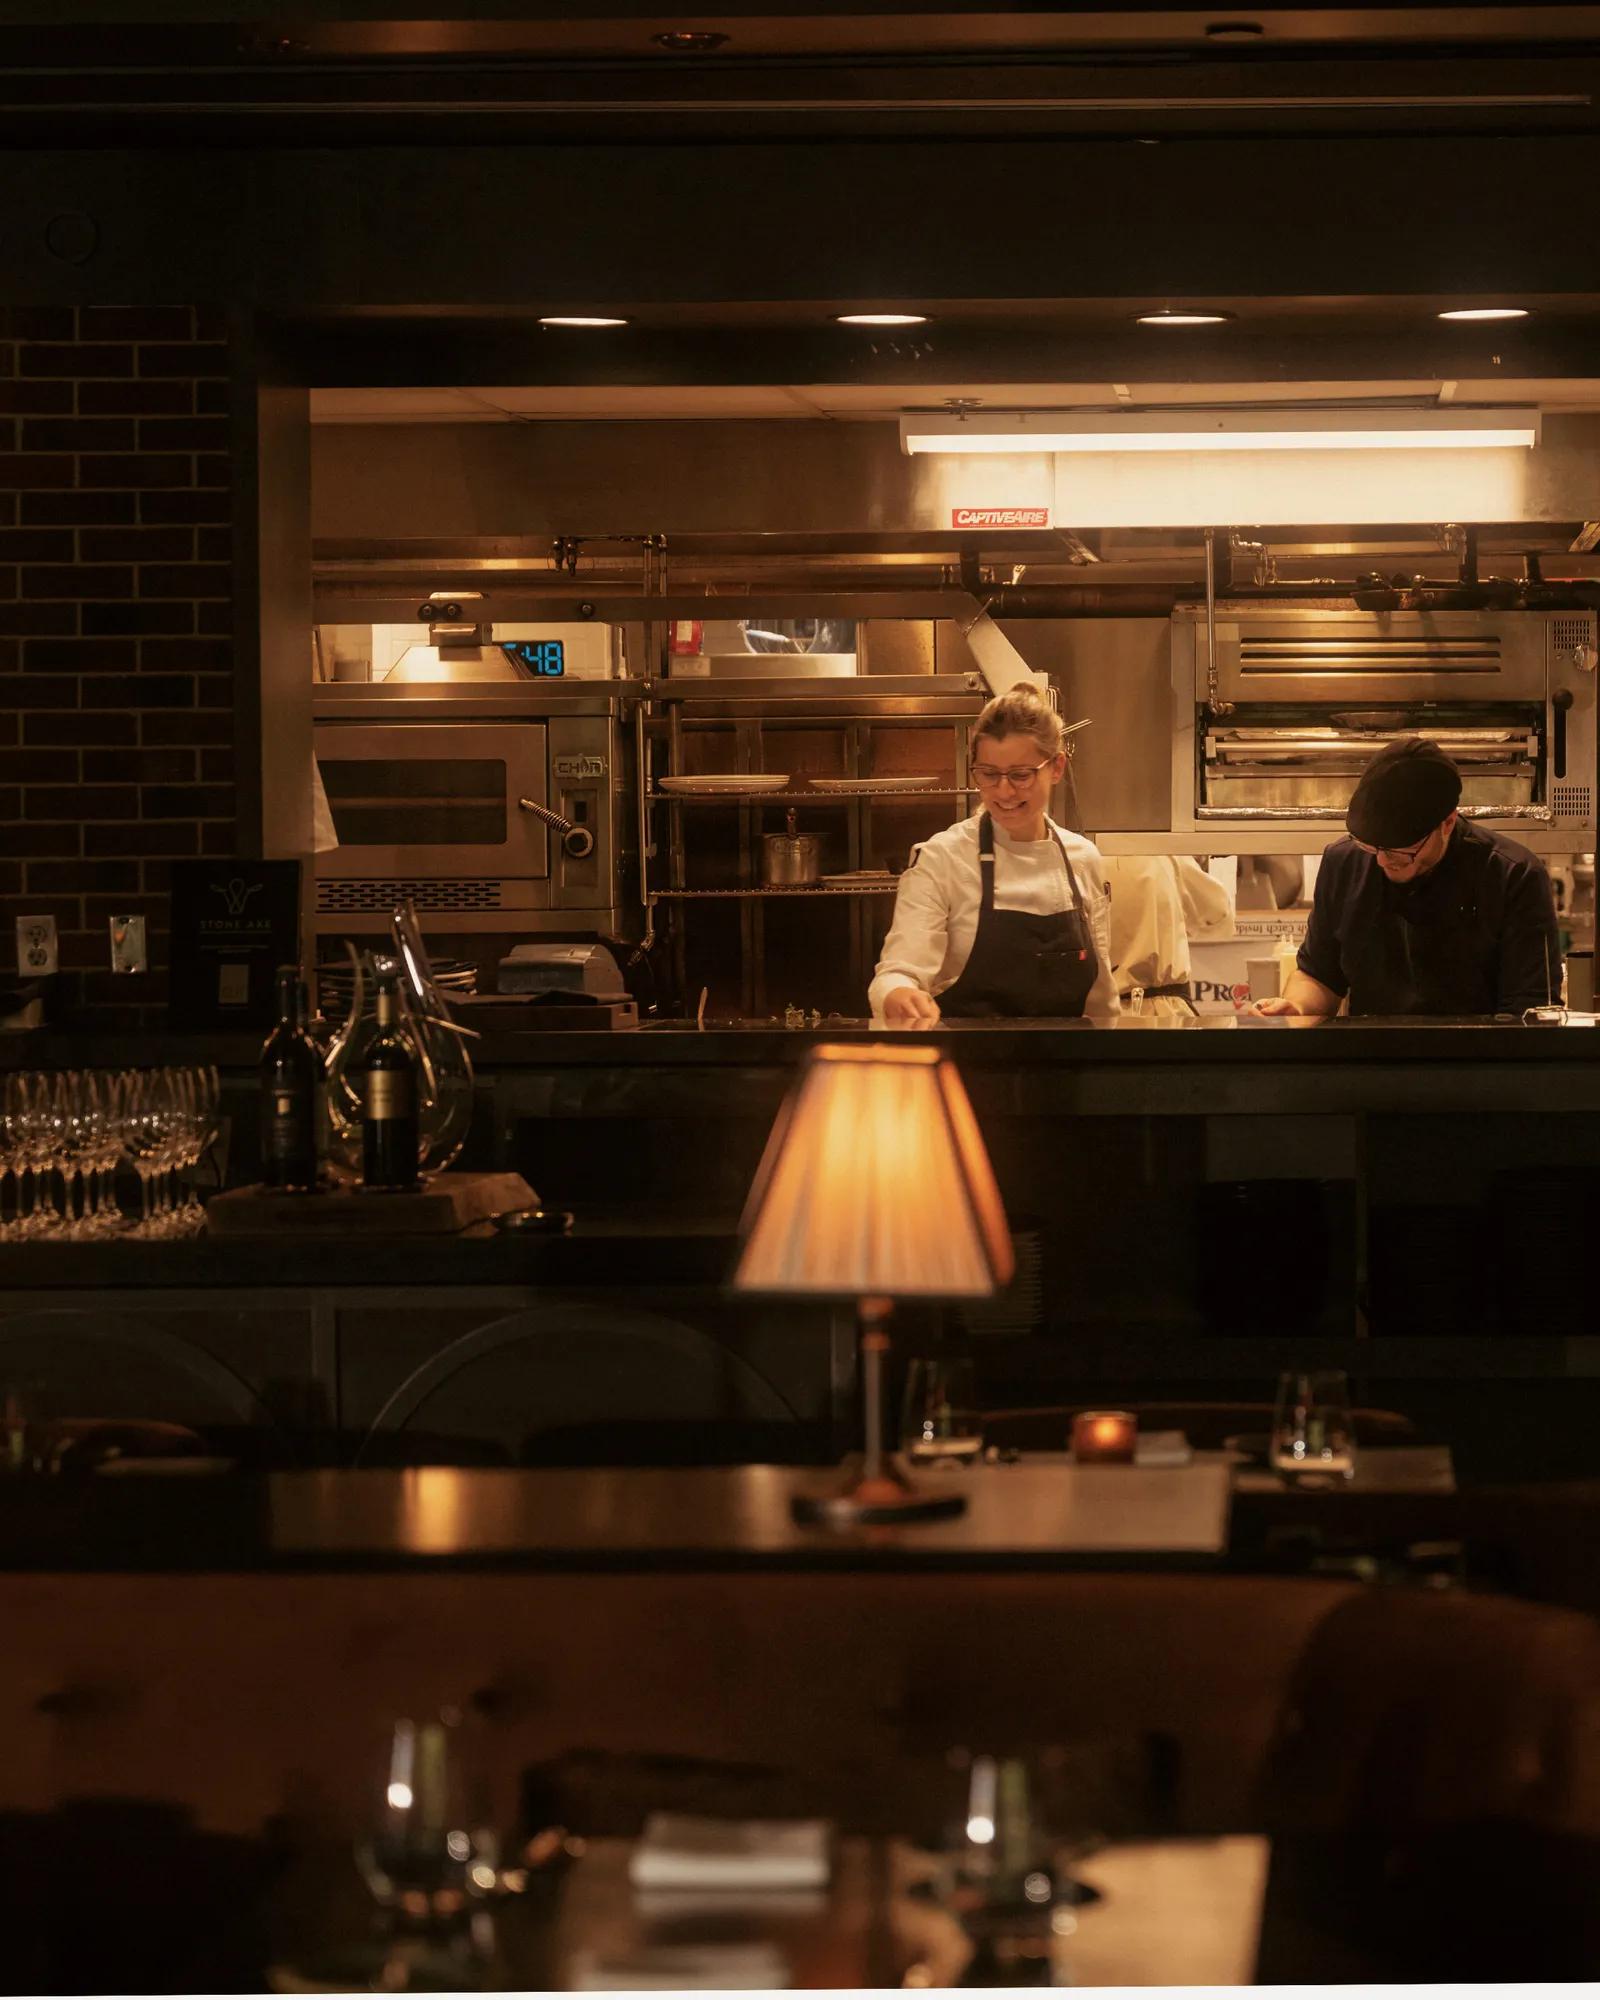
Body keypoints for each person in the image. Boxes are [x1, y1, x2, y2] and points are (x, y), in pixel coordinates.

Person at [1255, 735, 1560, 1019]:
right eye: (1373, 847)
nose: (1383, 861)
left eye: (1402, 851)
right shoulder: (1344, 862)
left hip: (1480, 1064)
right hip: (1369, 1064)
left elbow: (1528, 1012)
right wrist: (1295, 1008)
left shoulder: (1513, 875)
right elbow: (1319, 975)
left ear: (1447, 823)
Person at [869, 685, 1119, 1024]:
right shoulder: (943, 858)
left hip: (1066, 1069)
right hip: (970, 1068)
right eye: (988, 774)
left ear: (1056, 767)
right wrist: (899, 994)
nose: (1003, 791)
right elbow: (898, 971)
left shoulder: (1083, 857)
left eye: (1020, 775)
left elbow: (1100, 994)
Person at [1103, 855, 1234, 1017]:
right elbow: (1219, 913)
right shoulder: (1165, 855)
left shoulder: (1080, 857)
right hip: (1165, 1014)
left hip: (1101, 1017)